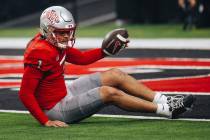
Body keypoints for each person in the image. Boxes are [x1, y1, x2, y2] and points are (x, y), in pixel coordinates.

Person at [19, 6, 195, 127]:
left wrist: (105, 51)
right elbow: (25, 93)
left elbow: (80, 58)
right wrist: (45, 121)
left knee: (115, 74)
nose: (66, 36)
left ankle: (163, 99)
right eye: (61, 33)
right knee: (108, 92)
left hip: (65, 94)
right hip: (55, 110)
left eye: (68, 32)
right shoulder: (41, 52)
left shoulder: (51, 43)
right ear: (47, 30)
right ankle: (167, 110)